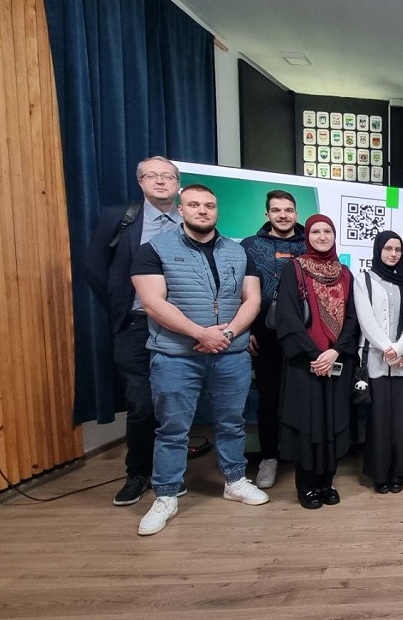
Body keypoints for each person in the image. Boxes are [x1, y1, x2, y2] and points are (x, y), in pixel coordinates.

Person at [130, 184, 268, 536]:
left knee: (232, 422)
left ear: (216, 210)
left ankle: (235, 481)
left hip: (230, 355)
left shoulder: (239, 251)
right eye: (194, 205)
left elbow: (252, 299)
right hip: (176, 356)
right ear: (181, 209)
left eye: (209, 205)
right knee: (172, 430)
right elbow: (153, 303)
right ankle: (166, 496)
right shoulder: (153, 250)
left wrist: (227, 334)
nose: (202, 210)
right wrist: (199, 333)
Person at [84, 156, 182, 507]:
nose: (160, 181)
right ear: (141, 182)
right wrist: (121, 303)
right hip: (137, 324)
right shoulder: (121, 218)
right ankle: (138, 473)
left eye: (168, 176)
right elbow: (94, 267)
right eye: (152, 176)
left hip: (183, 327)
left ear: (178, 184)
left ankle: (170, 474)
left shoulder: (190, 218)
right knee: (141, 403)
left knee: (175, 402)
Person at [273, 214, 359, 509]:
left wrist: (335, 352)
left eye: (327, 232)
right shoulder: (295, 269)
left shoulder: (344, 273)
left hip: (336, 363)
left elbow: (352, 318)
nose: (322, 237)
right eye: (316, 232)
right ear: (307, 236)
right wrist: (314, 355)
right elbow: (287, 317)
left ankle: (326, 482)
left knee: (332, 422)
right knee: (308, 423)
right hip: (305, 364)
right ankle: (307, 485)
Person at [241, 190, 307, 490]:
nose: (283, 215)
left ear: (296, 213)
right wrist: (244, 331)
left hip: (305, 337)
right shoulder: (249, 247)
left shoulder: (310, 244)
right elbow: (235, 292)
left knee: (303, 397)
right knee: (268, 400)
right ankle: (269, 457)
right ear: (267, 214)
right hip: (264, 337)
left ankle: (304, 455)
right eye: (277, 210)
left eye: (288, 210)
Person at [353, 230, 403, 494]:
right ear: (378, 250)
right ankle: (380, 474)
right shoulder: (364, 279)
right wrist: (387, 349)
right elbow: (366, 320)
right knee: (380, 420)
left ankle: (399, 473)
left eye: (397, 249)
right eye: (388, 249)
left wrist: (400, 348)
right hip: (376, 359)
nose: (393, 254)